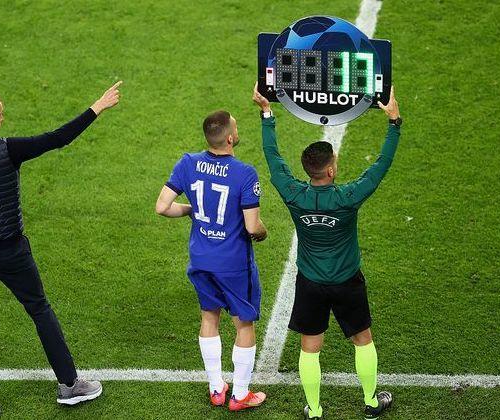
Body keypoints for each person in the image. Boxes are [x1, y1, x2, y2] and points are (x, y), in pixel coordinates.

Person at [0, 81, 122, 418]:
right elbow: (58, 138)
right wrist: (97, 107)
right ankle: (69, 385)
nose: (2, 120)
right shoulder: (9, 149)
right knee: (40, 309)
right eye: (0, 115)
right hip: (11, 251)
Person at [252, 83, 401, 419]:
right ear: (331, 170)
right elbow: (380, 166)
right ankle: (371, 402)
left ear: (309, 170)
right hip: (347, 280)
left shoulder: (293, 194)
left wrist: (267, 114)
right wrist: (394, 123)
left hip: (310, 283)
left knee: (310, 348)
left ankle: (315, 410)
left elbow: (273, 159)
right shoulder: (348, 197)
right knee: (362, 339)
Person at [155, 110, 268, 411]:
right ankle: (240, 395)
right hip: (233, 264)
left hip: (201, 259)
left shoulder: (188, 163)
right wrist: (263, 232)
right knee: (243, 324)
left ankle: (216, 388)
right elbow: (252, 227)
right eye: (236, 127)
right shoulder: (245, 173)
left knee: (209, 317)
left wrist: (190, 211)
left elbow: (162, 207)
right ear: (230, 138)